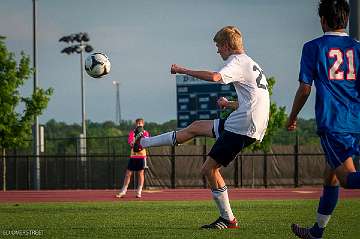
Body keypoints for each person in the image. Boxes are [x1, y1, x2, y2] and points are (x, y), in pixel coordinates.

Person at [138, 26, 270, 229]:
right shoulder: (252, 64)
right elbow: (254, 100)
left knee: (209, 169)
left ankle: (228, 219)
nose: (218, 51)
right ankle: (144, 142)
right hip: (248, 121)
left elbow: (216, 78)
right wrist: (229, 104)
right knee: (196, 127)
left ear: (226, 45)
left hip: (243, 125)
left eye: (218, 46)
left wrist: (183, 70)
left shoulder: (237, 61)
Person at [287, 1, 360, 238]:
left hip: (335, 123)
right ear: (346, 20)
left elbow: (305, 89)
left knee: (347, 179)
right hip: (357, 120)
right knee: (330, 176)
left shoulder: (313, 47)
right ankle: (317, 231)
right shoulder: (357, 48)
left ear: (323, 20)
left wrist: (293, 116)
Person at [116, 118, 150, 198]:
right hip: (133, 156)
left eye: (140, 123)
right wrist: (133, 142)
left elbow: (146, 142)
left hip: (141, 156)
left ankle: (139, 191)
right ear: (135, 124)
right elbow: (130, 143)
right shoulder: (132, 133)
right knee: (128, 174)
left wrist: (141, 144)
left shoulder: (145, 133)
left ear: (143, 124)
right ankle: (123, 191)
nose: (139, 125)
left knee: (140, 174)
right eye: (137, 123)